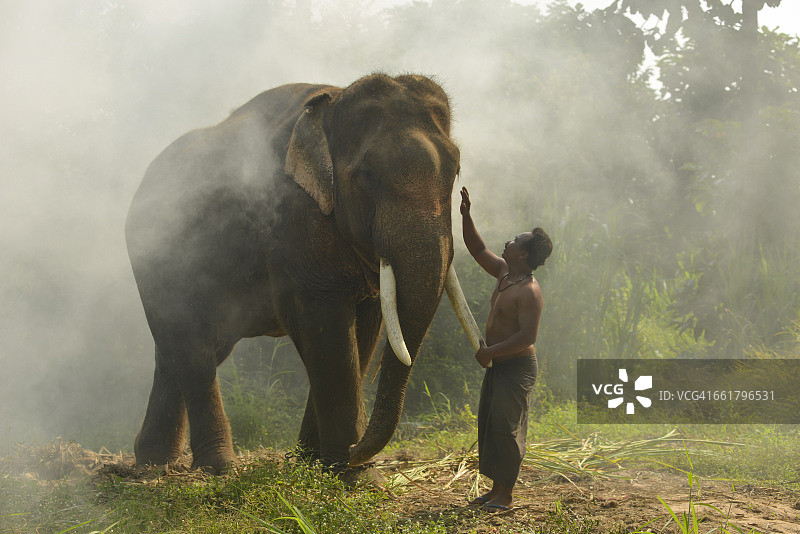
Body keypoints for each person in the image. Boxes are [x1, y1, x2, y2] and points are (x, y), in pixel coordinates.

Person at [459, 186, 553, 512]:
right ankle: (495, 490)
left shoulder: (529, 291)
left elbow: (528, 336)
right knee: (490, 423)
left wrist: (491, 352)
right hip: (498, 364)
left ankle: (506, 497)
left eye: (515, 241)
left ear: (523, 254)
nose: (508, 242)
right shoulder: (503, 272)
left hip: (515, 367)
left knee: (507, 427)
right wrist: (466, 215)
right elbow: (477, 249)